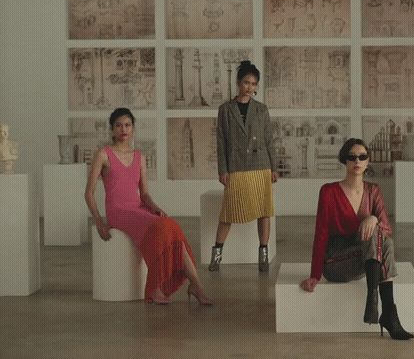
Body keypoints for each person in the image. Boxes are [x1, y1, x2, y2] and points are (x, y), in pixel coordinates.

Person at [85, 108, 211, 305]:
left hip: (138, 209)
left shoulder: (139, 157)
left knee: (171, 225)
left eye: (127, 125)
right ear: (112, 130)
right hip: (119, 212)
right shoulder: (103, 154)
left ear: (133, 129)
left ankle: (196, 285)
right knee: (162, 228)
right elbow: (89, 193)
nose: (123, 129)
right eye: (118, 125)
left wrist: (155, 207)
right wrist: (99, 221)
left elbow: (144, 193)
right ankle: (156, 288)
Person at [299, 138, 414, 340]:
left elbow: (387, 228)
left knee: (379, 236)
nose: (357, 161)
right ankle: (383, 308)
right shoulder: (329, 191)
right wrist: (315, 275)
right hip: (336, 263)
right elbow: (321, 233)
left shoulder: (373, 191)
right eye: (352, 157)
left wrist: (373, 218)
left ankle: (381, 307)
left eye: (362, 157)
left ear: (368, 161)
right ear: (345, 161)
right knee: (379, 240)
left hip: (366, 261)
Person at [209, 61, 278, 272]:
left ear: (256, 86)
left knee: (264, 210)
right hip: (237, 166)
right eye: (246, 82)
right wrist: (223, 169)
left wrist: (274, 167)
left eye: (253, 83)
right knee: (228, 213)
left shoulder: (261, 109)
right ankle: (217, 254)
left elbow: (269, 139)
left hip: (260, 165)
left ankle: (263, 253)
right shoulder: (225, 110)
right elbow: (221, 141)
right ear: (238, 83)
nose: (249, 87)